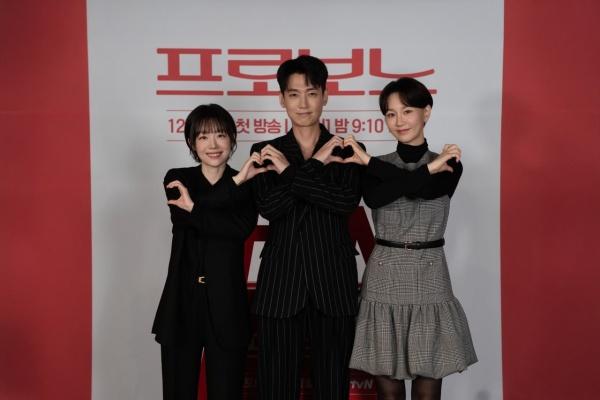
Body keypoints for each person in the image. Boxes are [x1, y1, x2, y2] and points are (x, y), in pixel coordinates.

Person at [343, 78, 477, 400]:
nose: (398, 121)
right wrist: (423, 167)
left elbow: (424, 190)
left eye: (407, 111)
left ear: (426, 112)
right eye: (390, 114)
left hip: (430, 273)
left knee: (428, 391)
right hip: (385, 274)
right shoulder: (377, 167)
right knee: (389, 394)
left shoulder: (449, 163)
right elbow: (376, 198)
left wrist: (370, 162)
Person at [249, 55, 364, 400]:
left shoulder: (348, 149)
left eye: (312, 93)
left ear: (325, 96)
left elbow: (344, 203)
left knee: (332, 387)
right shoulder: (264, 151)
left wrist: (290, 173)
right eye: (294, 94)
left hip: (334, 283)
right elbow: (270, 207)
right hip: (281, 284)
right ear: (281, 99)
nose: (303, 103)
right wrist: (315, 166)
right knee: (275, 387)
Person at [152, 104, 266, 400]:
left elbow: (237, 230)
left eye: (220, 135)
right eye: (203, 137)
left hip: (227, 304)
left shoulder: (249, 186)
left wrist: (196, 208)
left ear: (232, 138)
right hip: (181, 303)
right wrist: (235, 182)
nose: (213, 145)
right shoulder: (178, 178)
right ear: (192, 143)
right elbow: (182, 218)